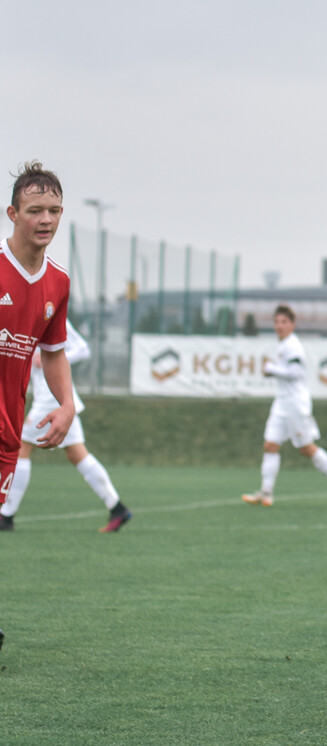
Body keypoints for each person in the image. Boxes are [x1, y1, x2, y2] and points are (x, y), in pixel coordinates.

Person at [1, 161, 76, 653]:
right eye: (34, 210)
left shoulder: (57, 283)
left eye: (53, 210)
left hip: (6, 433)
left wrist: (67, 405)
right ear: (12, 213)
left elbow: (53, 350)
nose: (45, 219)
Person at [0, 319, 132, 532]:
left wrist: (46, 359)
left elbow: (82, 349)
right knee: (77, 454)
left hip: (51, 399)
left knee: (21, 447)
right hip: (52, 397)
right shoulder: (21, 310)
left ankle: (6, 516)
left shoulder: (49, 311)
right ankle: (117, 508)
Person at [242, 305, 327, 507]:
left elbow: (296, 372)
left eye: (284, 322)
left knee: (306, 448)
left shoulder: (293, 345)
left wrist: (271, 369)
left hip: (295, 404)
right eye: (276, 322)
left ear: (292, 324)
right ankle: (266, 492)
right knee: (270, 445)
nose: (279, 326)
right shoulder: (282, 344)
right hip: (281, 402)